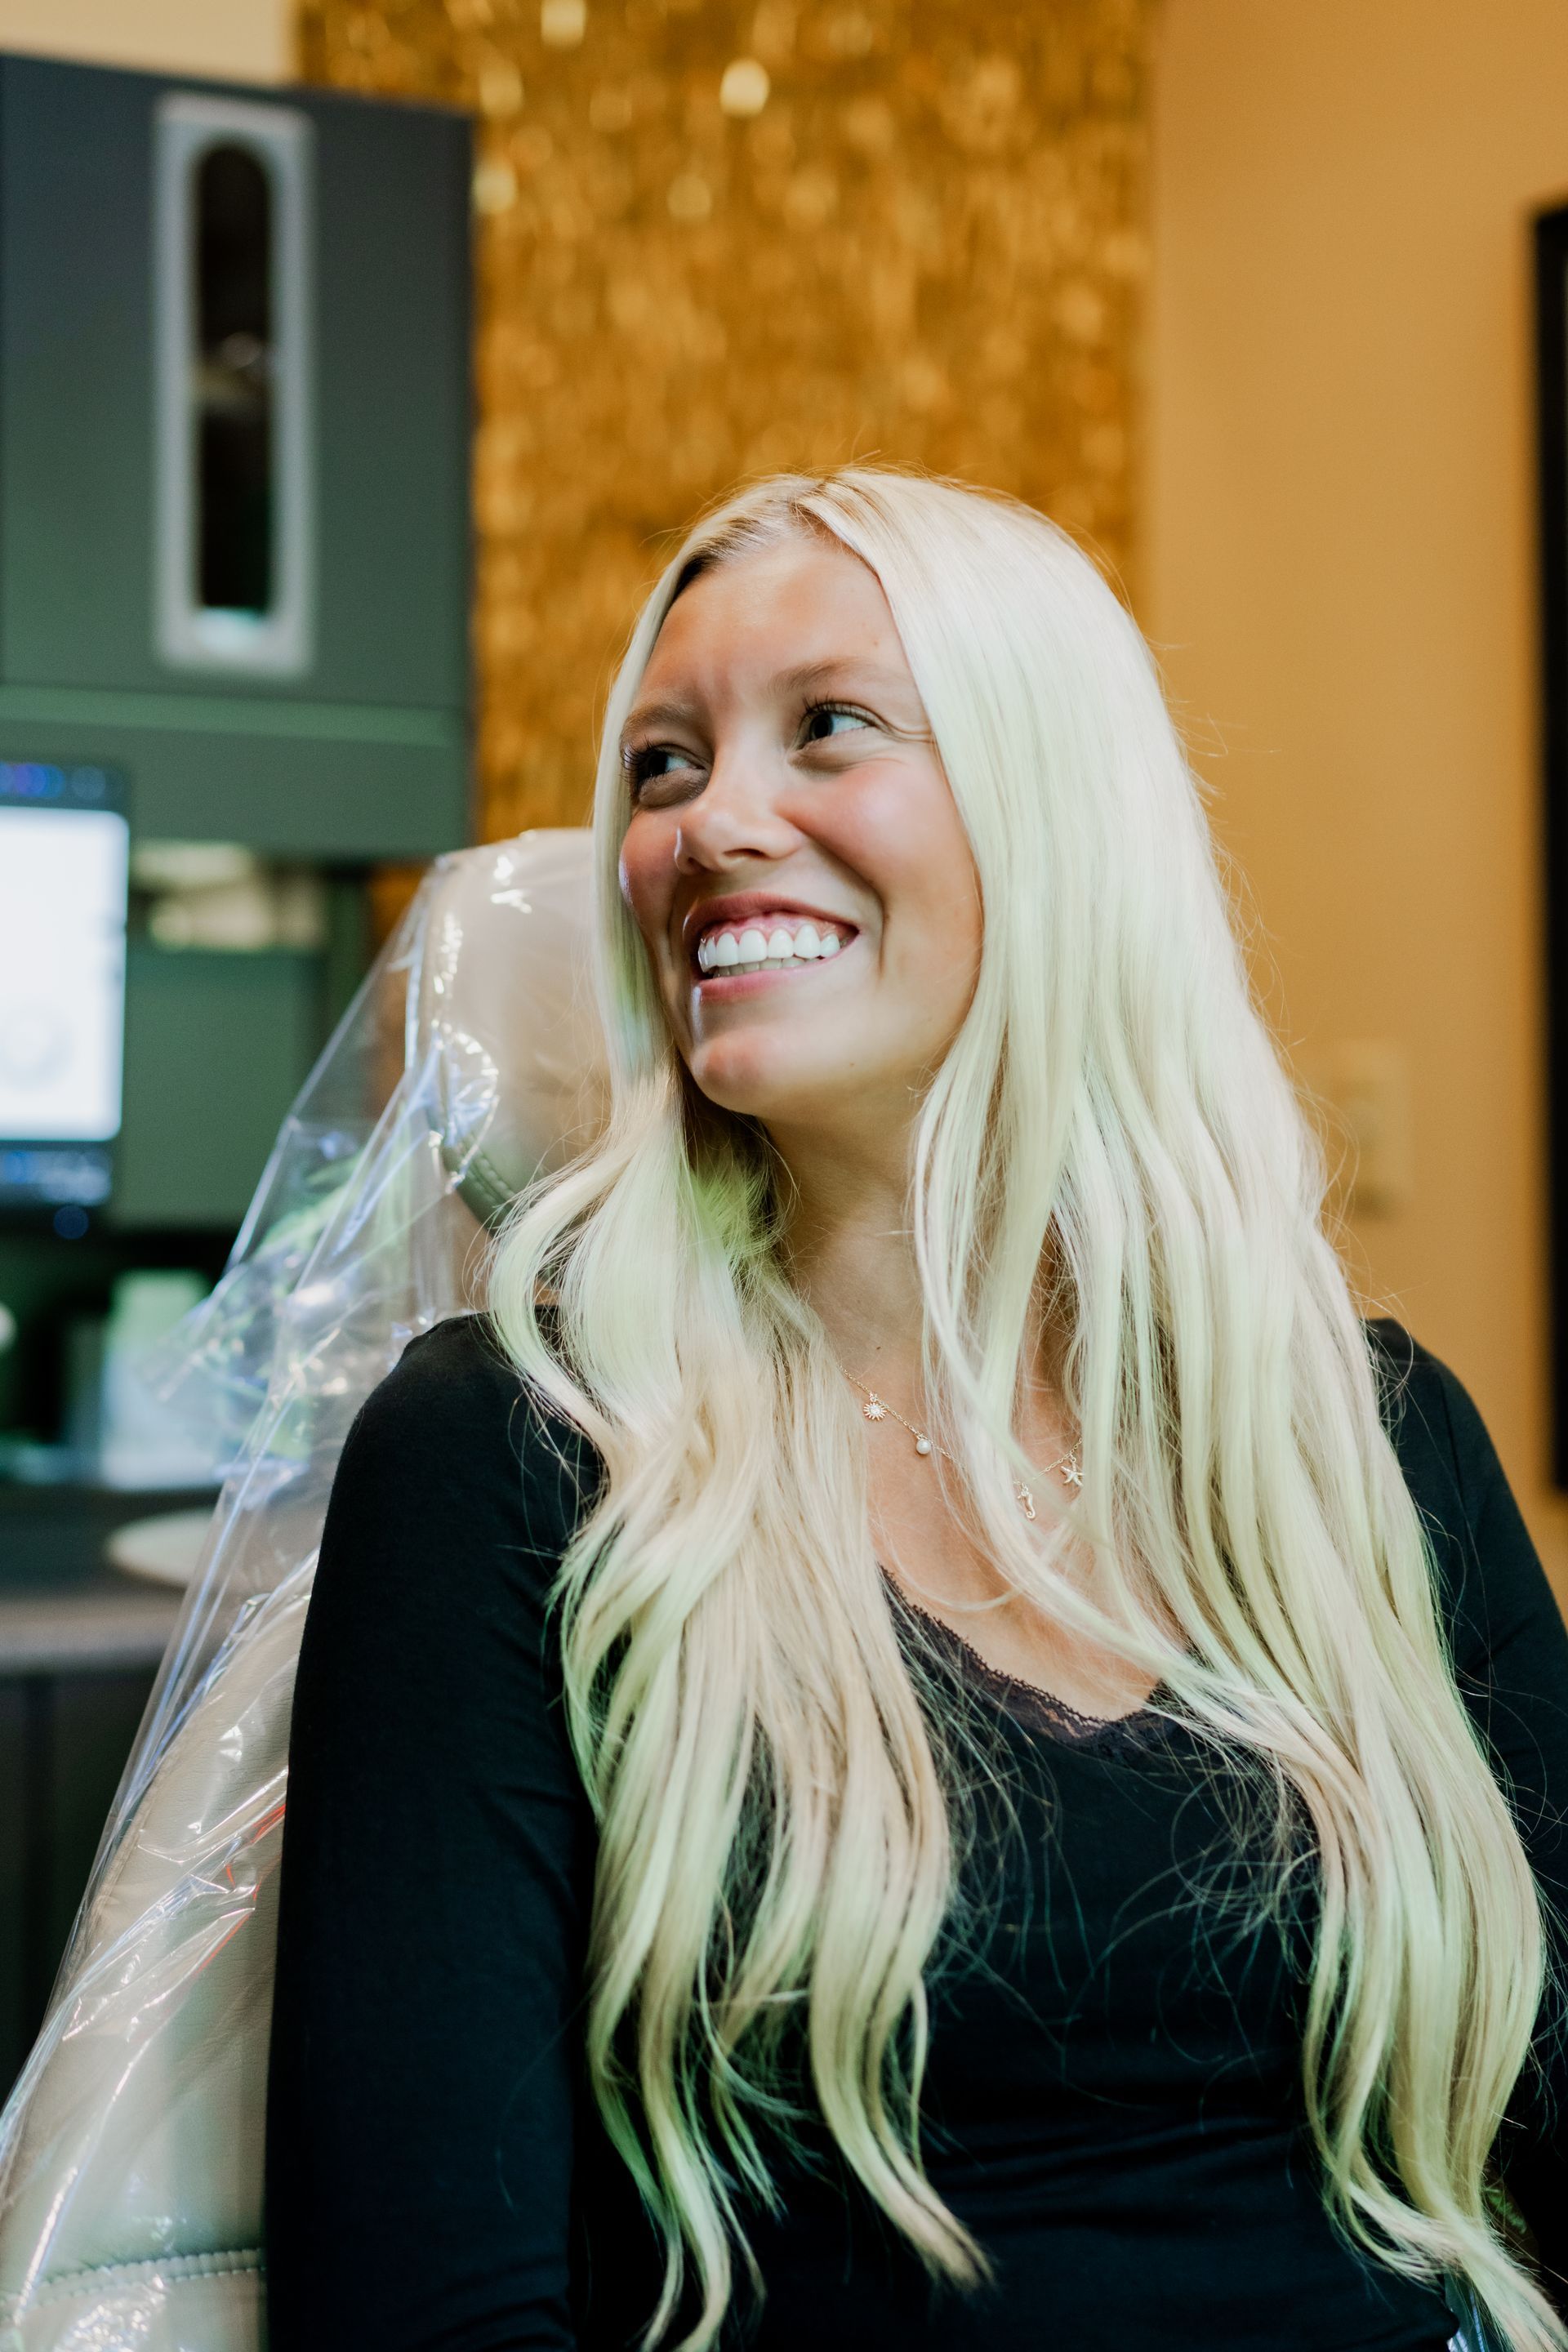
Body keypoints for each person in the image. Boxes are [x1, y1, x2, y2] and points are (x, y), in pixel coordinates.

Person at [263, 468, 1568, 2352]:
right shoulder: (515, 1457)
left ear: (1057, 812)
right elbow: (421, 2317)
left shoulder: (1363, 1439)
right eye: (660, 764)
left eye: (831, 729)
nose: (712, 824)